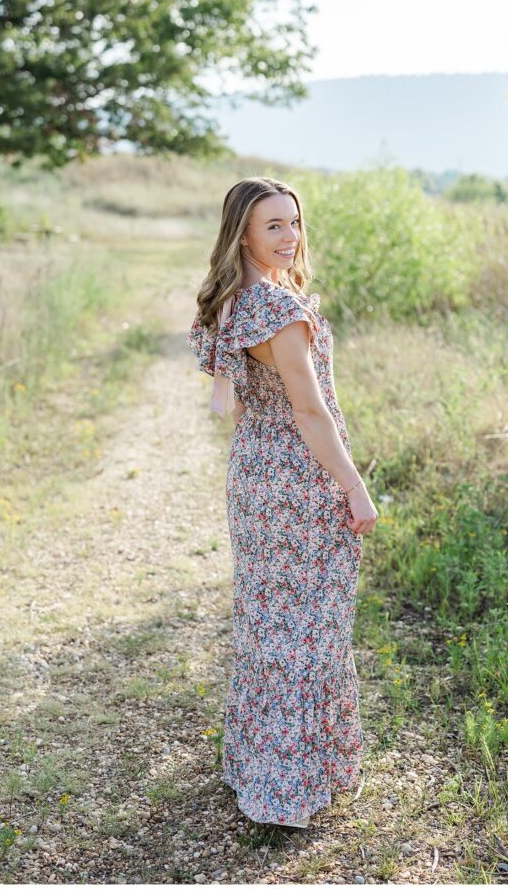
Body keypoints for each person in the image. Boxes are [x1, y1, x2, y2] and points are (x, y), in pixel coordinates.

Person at [187, 176, 378, 829]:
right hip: (299, 480)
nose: (290, 235)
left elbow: (233, 401)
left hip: (254, 477)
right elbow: (310, 410)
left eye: (294, 222)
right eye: (273, 225)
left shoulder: (234, 300)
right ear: (243, 232)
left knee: (270, 626)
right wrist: (353, 484)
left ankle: (258, 769)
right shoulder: (276, 307)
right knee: (308, 632)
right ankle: (287, 788)